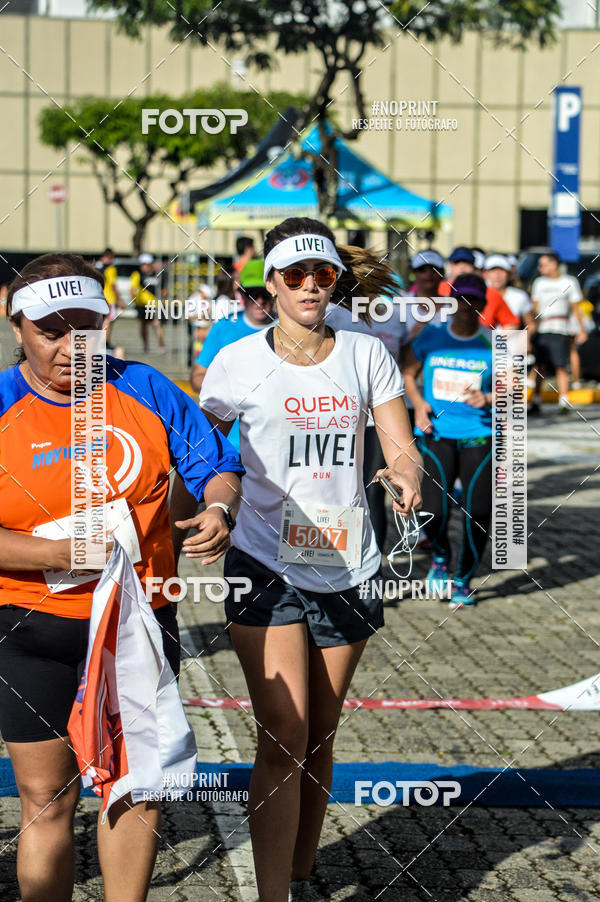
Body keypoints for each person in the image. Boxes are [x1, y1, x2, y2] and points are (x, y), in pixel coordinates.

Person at [178, 216, 422, 902]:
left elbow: (399, 444)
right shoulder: (234, 363)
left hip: (348, 561)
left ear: (334, 279)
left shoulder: (366, 353)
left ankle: (300, 869)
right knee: (283, 730)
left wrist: (406, 477)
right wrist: (207, 510)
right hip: (263, 559)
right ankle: (271, 895)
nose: (311, 286)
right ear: (270, 284)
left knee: (320, 731)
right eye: (295, 275)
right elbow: (204, 457)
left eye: (322, 274)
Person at [0, 253, 244, 902]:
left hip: (137, 624)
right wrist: (52, 553)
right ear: (16, 324)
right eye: (52, 331)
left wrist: (219, 507)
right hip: (31, 627)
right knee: (47, 802)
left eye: (87, 328)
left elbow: (217, 465)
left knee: (136, 791)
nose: (71, 347)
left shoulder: (144, 386)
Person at [402, 273, 493, 610]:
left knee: (479, 511)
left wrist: (491, 397)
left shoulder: (493, 341)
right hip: (437, 434)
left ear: (483, 305)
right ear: (450, 304)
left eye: (475, 301)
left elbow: (516, 387)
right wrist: (419, 405)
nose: (467, 308)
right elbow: (408, 372)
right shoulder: (433, 336)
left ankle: (463, 579)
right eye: (461, 300)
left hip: (479, 436)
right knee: (433, 512)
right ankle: (441, 556)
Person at [325, 283, 409, 552]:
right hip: (337, 418)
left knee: (372, 491)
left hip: (378, 421)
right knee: (337, 489)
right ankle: (335, 555)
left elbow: (405, 361)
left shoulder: (396, 318)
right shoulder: (332, 314)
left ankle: (372, 563)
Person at [189, 257, 276, 458]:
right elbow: (197, 378)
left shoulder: (287, 329)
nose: (260, 301)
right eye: (252, 294)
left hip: (275, 445)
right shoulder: (223, 327)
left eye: (265, 294)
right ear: (241, 295)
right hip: (230, 445)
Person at [530, 251, 587, 414]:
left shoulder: (569, 281)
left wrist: (581, 330)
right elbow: (534, 308)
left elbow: (576, 308)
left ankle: (563, 401)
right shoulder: (539, 283)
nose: (540, 268)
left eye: (543, 264)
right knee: (539, 365)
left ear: (554, 264)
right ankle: (536, 400)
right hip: (542, 328)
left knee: (561, 365)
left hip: (561, 328)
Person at [439, 246, 519, 330]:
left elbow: (511, 324)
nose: (462, 267)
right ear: (450, 266)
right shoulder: (438, 289)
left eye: (467, 263)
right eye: (457, 263)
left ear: (474, 267)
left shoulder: (491, 293)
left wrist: (493, 340)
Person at [484, 254, 535, 335]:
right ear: (486, 274)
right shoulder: (478, 295)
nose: (497, 275)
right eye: (493, 270)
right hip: (484, 344)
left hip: (511, 344)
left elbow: (531, 324)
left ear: (509, 275)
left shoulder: (520, 296)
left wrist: (525, 339)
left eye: (502, 270)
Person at [130, 253, 166, 353]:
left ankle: (161, 343)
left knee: (157, 323)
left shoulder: (158, 274)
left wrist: (163, 298)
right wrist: (134, 296)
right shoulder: (138, 275)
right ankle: (145, 345)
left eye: (146, 264)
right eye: (143, 264)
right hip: (142, 304)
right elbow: (133, 289)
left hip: (155, 304)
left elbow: (163, 290)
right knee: (143, 325)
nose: (144, 266)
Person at [95, 247, 124, 358]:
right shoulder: (110, 269)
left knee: (101, 321)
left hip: (99, 297)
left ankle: (101, 342)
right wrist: (119, 300)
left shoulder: (96, 266)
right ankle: (105, 343)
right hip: (109, 298)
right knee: (108, 321)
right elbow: (112, 285)